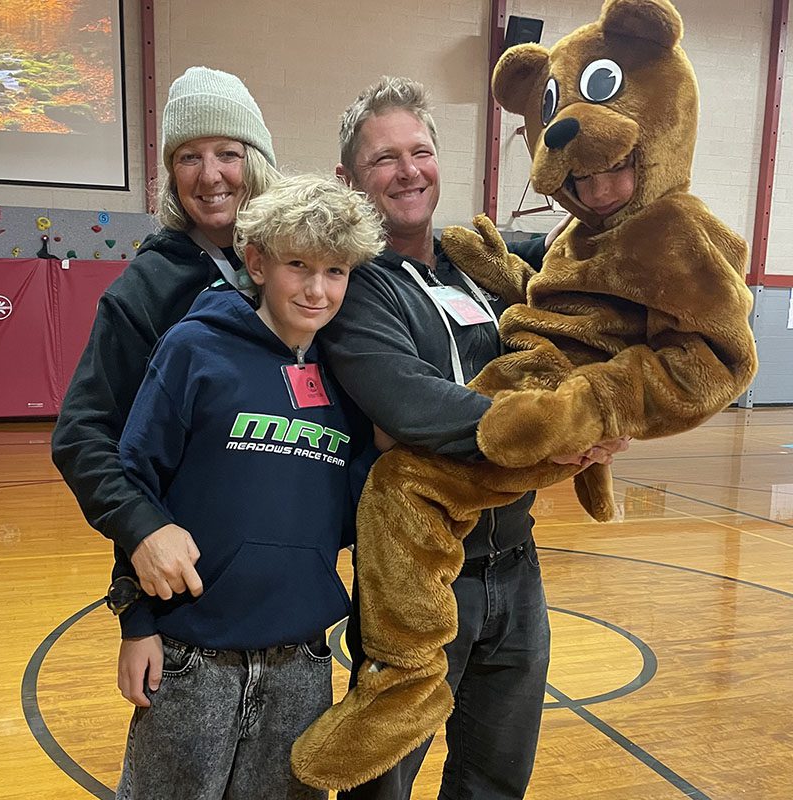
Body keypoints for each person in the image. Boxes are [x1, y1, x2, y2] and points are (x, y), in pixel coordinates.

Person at [312, 77, 627, 799]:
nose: (407, 170)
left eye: (419, 151)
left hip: (516, 568)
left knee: (495, 778)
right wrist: (553, 433)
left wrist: (598, 410)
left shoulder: (479, 269)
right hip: (419, 576)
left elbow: (566, 342)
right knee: (380, 783)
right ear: (348, 180)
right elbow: (413, 410)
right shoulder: (353, 288)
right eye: (384, 158)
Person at [112, 174, 385, 799]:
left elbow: (350, 514)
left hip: (304, 665)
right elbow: (134, 481)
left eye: (336, 271)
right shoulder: (193, 348)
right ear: (257, 262)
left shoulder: (350, 377)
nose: (317, 290)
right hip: (190, 658)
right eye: (298, 265)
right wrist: (136, 620)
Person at [51, 66, 279, 602]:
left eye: (228, 152)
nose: (209, 175)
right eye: (188, 157)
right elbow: (83, 433)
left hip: (288, 583)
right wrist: (141, 531)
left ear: (258, 159)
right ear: (171, 174)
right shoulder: (145, 289)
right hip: (188, 585)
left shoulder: (301, 270)